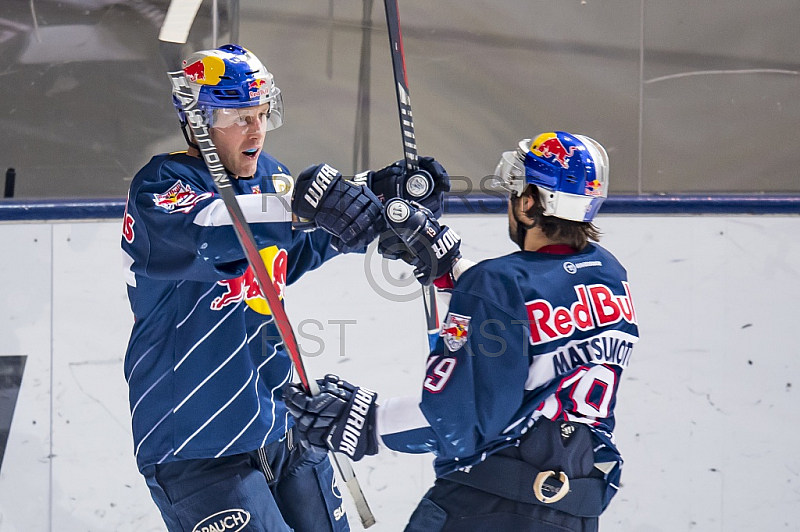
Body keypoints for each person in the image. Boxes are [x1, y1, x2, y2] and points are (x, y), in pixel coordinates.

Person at [120, 44, 448, 532]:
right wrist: (308, 206)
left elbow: (297, 244)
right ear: (196, 120)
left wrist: (382, 204)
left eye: (261, 114)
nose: (255, 130)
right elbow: (216, 228)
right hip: (196, 442)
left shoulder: (268, 176)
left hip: (281, 425)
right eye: (237, 117)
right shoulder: (162, 185)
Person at [284, 131, 639, 532]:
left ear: (527, 204)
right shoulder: (609, 274)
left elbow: (455, 420)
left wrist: (364, 423)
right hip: (575, 506)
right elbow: (536, 310)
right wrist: (451, 264)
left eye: (515, 192)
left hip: (489, 507)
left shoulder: (496, 286)